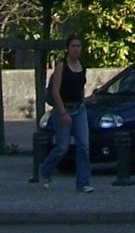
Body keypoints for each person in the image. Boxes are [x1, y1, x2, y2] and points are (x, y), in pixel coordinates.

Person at [37, 34, 93, 192]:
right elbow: (55, 91)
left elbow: (81, 87)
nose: (76, 49)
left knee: (84, 146)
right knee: (62, 146)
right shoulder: (62, 65)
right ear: (68, 49)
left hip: (79, 109)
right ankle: (45, 171)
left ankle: (83, 183)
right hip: (64, 108)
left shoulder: (82, 65)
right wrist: (63, 113)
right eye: (73, 46)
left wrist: (82, 103)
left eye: (79, 46)